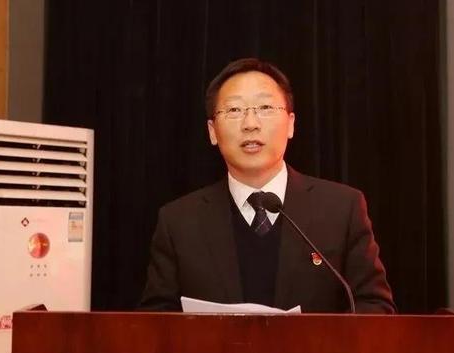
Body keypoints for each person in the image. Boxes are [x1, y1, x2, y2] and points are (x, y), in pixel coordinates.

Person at [138, 58, 395, 313]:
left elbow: (375, 306)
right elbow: (154, 321)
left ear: (291, 124)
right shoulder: (178, 222)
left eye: (265, 107)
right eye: (234, 110)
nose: (250, 124)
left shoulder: (341, 209)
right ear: (212, 131)